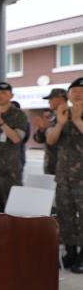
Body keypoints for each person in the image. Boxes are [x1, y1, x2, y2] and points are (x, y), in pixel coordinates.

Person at [46, 77, 83, 273]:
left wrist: (77, 120)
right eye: (74, 90)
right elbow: (51, 140)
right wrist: (60, 123)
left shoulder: (76, 115)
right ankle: (70, 252)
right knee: (66, 214)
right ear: (68, 95)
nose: (78, 93)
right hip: (63, 175)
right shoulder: (61, 113)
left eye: (81, 90)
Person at [0, 83, 28, 212]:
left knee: (13, 208)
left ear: (11, 95)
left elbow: (16, 138)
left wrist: (1, 122)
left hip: (10, 170)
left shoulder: (19, 115)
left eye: (3, 93)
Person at [33, 88, 68, 175]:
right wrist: (41, 130)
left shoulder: (72, 117)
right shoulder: (52, 119)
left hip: (67, 169)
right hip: (50, 166)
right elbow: (39, 140)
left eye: (51, 99)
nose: (49, 102)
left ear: (61, 98)